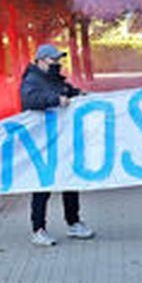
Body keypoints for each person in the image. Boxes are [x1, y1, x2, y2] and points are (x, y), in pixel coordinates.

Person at [18, 44, 95, 247]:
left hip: (61, 141)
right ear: (41, 61)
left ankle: (73, 222)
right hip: (43, 144)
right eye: (53, 60)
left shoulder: (54, 80)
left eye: (58, 60)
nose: (57, 64)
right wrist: (55, 100)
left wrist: (79, 95)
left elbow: (67, 91)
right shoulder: (32, 80)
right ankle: (38, 229)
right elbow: (30, 99)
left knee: (70, 180)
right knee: (43, 186)